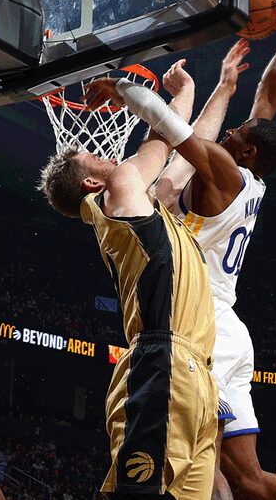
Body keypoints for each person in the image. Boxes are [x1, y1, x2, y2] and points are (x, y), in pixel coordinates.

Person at [156, 0, 276, 500]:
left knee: (215, 468)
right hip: (223, 328)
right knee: (238, 476)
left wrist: (130, 90)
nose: (230, 133)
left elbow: (182, 137)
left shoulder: (226, 174)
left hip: (207, 329)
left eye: (236, 136)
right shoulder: (250, 174)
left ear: (246, 153)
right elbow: (269, 94)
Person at [39, 77, 233, 499]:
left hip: (195, 373)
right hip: (162, 363)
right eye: (92, 156)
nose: (104, 154)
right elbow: (163, 140)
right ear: (92, 184)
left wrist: (202, 91)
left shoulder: (145, 206)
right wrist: (126, 88)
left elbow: (186, 144)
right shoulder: (120, 189)